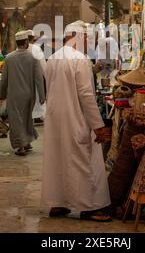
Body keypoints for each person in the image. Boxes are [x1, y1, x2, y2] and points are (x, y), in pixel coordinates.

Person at [41, 21, 112, 222]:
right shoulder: (79, 60)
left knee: (59, 160)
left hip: (55, 119)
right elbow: (86, 95)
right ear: (75, 36)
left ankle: (59, 202)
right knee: (84, 161)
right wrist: (98, 126)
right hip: (76, 119)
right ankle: (90, 207)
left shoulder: (53, 59)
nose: (87, 42)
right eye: (86, 38)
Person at [0, 31, 45, 156]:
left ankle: (21, 147)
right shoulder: (33, 58)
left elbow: (4, 79)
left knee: (16, 120)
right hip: (29, 95)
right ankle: (27, 142)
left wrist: (2, 93)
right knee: (26, 119)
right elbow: (38, 78)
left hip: (14, 95)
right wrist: (42, 95)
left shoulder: (9, 58)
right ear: (26, 43)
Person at [26, 30, 47, 125]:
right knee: (38, 99)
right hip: (35, 79)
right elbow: (43, 66)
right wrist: (48, 78)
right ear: (33, 39)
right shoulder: (36, 48)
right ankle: (40, 117)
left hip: (23, 80)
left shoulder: (19, 49)